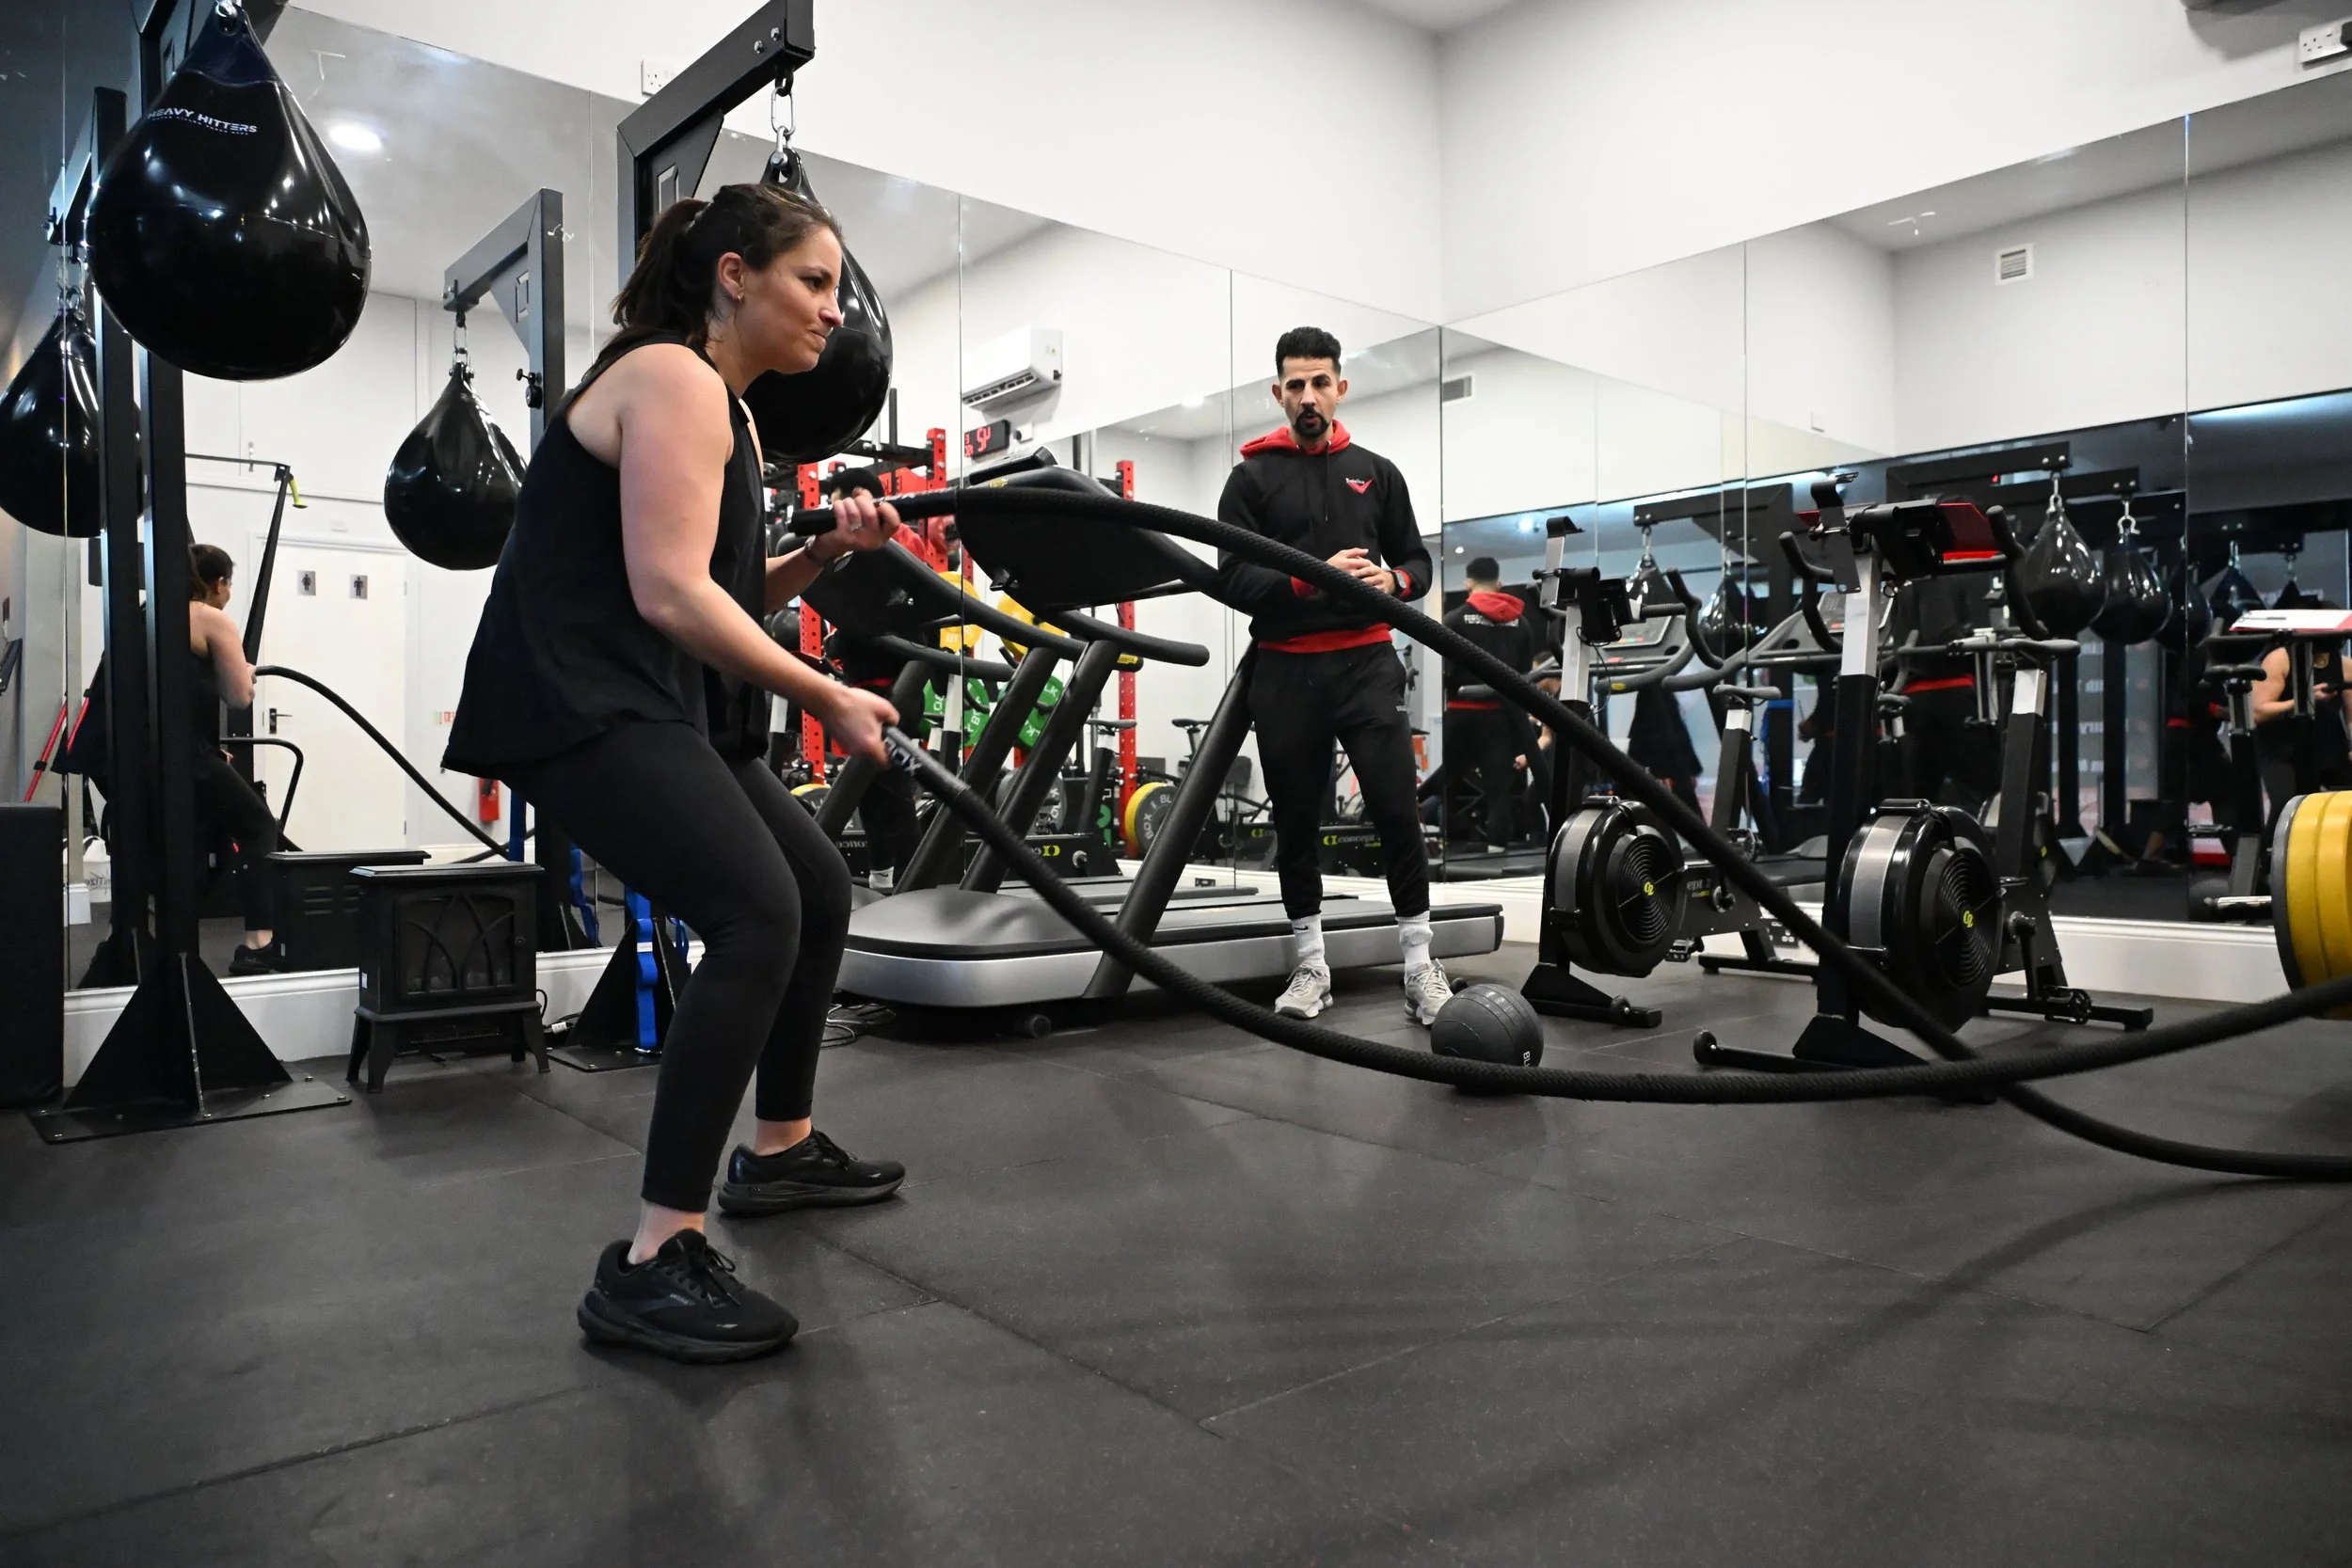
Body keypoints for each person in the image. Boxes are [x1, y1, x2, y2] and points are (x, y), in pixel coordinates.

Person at [444, 182, 907, 1365]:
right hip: (578, 692)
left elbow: (725, 593)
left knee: (813, 889)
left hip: (653, 696)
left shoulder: (735, 419)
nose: (833, 311)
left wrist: (821, 551)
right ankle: (653, 1255)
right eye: (814, 282)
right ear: (735, 276)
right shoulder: (669, 377)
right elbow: (666, 591)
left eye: (839, 290)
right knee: (755, 913)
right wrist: (824, 692)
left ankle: (784, 1146)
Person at [1215, 325, 1449, 1025]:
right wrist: (1312, 582)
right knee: (1295, 824)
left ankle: (1418, 963)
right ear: (1278, 392)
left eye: (1320, 382)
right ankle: (1311, 965)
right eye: (1295, 385)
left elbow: (1419, 563)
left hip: (1366, 663)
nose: (1308, 397)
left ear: (1341, 387)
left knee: (1396, 811)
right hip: (1287, 673)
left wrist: (1392, 579)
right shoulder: (1250, 478)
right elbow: (1231, 577)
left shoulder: (1377, 471)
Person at [816, 466, 923, 888]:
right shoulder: (855, 551)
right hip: (862, 689)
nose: (835, 511)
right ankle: (882, 874)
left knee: (895, 791)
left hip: (896, 690)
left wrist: (845, 641)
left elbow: (896, 618)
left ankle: (919, 884)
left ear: (862, 497)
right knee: (867, 790)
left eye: (841, 501)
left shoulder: (897, 546)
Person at [185, 545, 280, 974]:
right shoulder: (210, 618)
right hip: (186, 756)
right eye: (228, 585)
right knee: (259, 825)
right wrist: (246, 675)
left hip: (145, 755)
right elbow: (239, 695)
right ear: (218, 583)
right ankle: (259, 945)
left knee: (202, 831)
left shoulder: (150, 611)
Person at [1441, 556, 1536, 852]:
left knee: (1449, 779)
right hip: (1500, 715)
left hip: (1460, 711)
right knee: (1499, 786)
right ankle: (1497, 847)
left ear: (1468, 583)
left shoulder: (1455, 618)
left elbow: (1448, 670)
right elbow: (1524, 671)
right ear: (1499, 584)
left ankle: (1446, 841)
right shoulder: (1520, 621)